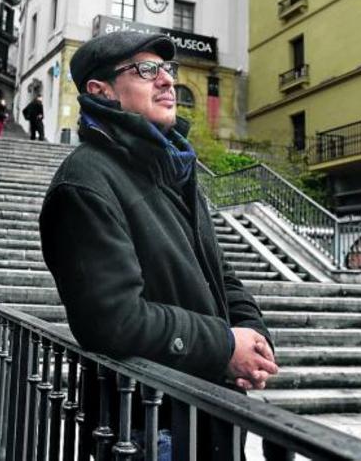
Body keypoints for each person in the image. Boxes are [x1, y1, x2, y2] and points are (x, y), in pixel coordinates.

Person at [39, 32, 278, 460]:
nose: (166, 80)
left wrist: (253, 339)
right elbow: (113, 321)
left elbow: (221, 275)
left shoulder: (175, 170)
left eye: (167, 69)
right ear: (101, 91)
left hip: (209, 415)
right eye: (146, 70)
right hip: (150, 428)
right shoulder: (84, 185)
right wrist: (224, 346)